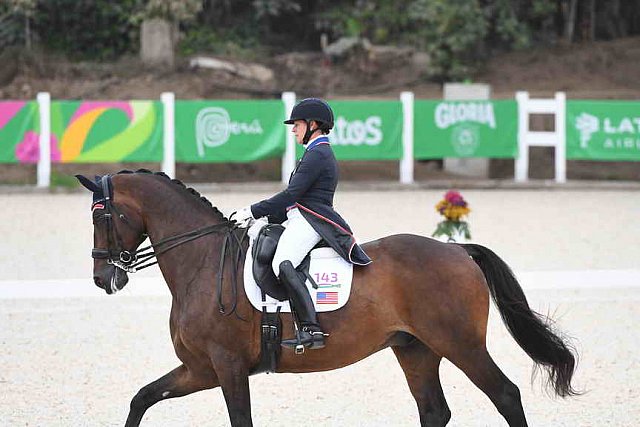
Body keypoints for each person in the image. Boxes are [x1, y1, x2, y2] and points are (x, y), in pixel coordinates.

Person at [231, 98, 371, 351]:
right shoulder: (315, 152)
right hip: (300, 216)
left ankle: (310, 328)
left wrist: (252, 210)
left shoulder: (318, 153)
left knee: (282, 262)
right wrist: (266, 216)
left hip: (311, 219)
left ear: (313, 124)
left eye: (297, 124)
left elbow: (291, 195)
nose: (293, 129)